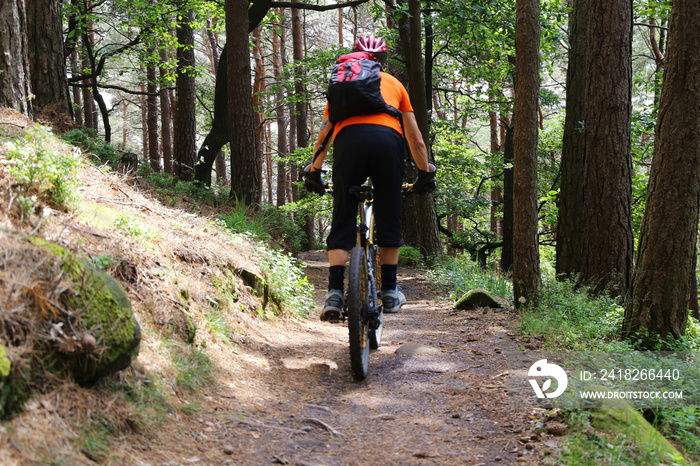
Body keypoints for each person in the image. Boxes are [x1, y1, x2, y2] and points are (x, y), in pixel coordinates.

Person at [304, 35, 437, 322]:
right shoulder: (394, 84)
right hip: (387, 142)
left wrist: (314, 170)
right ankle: (389, 291)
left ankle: (334, 293)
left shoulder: (342, 86)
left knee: (342, 215)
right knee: (389, 211)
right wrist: (426, 171)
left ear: (354, 58)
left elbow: (325, 133)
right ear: (382, 61)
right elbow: (414, 137)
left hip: (348, 142)